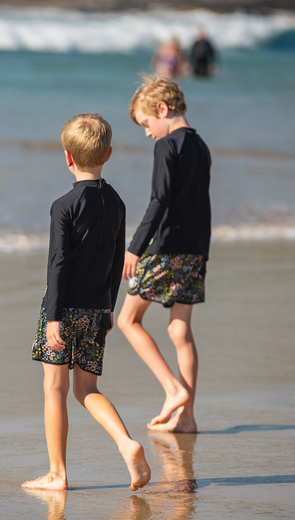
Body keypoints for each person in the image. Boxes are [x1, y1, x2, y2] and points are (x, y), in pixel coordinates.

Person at [22, 113, 151, 491]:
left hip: (64, 309)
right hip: (98, 308)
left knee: (54, 389)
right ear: (108, 154)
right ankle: (127, 444)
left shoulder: (64, 205)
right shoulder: (116, 202)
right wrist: (110, 306)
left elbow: (58, 262)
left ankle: (57, 474)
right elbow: (115, 258)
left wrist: (53, 317)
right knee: (87, 390)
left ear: (67, 157)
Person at [117, 77, 211, 434]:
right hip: (196, 250)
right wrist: (201, 251)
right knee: (179, 329)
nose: (146, 133)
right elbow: (201, 205)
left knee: (128, 321)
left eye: (145, 124)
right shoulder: (201, 146)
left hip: (166, 248)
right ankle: (186, 418)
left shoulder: (167, 145)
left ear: (162, 110)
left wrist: (134, 248)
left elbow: (159, 201)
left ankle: (173, 389)